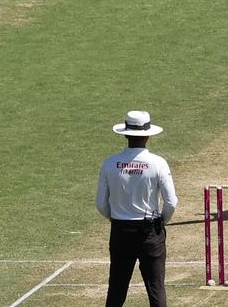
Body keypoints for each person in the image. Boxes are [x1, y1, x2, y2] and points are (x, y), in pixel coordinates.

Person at [96, 110, 177, 307]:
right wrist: (161, 222)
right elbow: (171, 202)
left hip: (120, 230)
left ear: (125, 134)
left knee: (116, 287)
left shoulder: (109, 163)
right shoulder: (158, 163)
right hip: (150, 231)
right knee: (156, 288)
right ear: (148, 135)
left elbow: (100, 204)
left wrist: (116, 218)